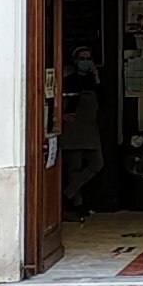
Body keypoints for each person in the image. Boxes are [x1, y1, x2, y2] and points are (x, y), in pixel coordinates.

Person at [59, 46, 104, 217]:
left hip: (90, 128)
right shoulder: (69, 80)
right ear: (76, 61)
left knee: (97, 163)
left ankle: (67, 194)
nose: (85, 62)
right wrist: (61, 115)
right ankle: (77, 205)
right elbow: (58, 100)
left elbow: (104, 100)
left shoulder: (95, 81)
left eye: (88, 58)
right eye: (82, 59)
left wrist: (97, 77)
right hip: (74, 129)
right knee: (74, 168)